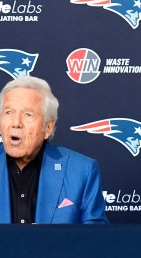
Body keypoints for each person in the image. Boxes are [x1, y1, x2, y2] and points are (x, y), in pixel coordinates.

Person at [0, 75, 108, 224]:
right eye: (8, 113)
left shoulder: (82, 170)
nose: (16, 123)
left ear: (48, 127)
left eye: (28, 114)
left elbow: (95, 238)